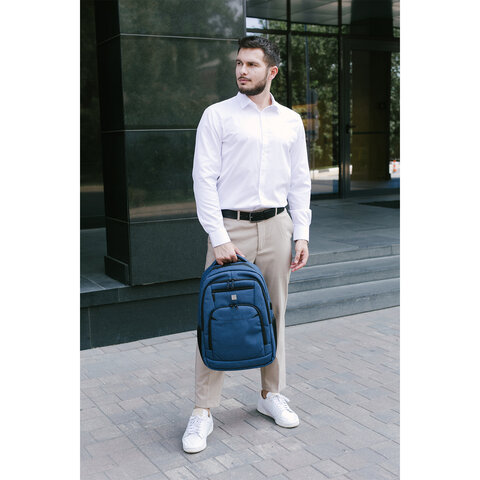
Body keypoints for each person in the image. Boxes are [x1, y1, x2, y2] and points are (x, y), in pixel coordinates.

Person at [183, 36, 312, 454]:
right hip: (230, 230)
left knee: (275, 315)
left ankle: (271, 394)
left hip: (277, 226)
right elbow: (203, 179)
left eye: (252, 65)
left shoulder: (290, 121)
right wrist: (218, 236)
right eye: (239, 63)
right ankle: (203, 410)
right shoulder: (217, 115)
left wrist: (301, 232)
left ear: (271, 71)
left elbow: (300, 180)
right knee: (216, 315)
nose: (242, 70)